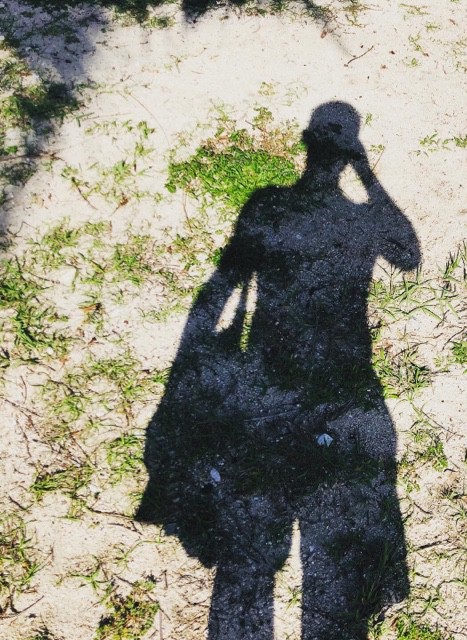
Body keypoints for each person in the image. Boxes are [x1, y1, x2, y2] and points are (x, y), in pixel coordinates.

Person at [137, 101, 421, 639]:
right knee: (320, 548)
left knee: (252, 543)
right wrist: (366, 172)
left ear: (306, 144)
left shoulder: (269, 205)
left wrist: (203, 347)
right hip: (335, 379)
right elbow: (407, 253)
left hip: (269, 375)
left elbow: (223, 281)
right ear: (345, 153)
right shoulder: (354, 218)